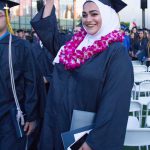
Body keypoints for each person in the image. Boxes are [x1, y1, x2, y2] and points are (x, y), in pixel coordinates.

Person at [31, 0, 134, 149]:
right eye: (84, 15)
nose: (88, 19)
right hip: (56, 125)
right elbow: (50, 36)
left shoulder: (116, 53)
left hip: (83, 136)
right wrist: (49, 3)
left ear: (107, 16)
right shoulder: (72, 44)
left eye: (94, 14)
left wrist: (93, 142)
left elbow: (115, 103)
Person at [0, 0, 38, 149]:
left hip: (12, 116)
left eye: (0, 15)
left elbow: (31, 82)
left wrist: (32, 115)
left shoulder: (20, 46)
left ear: (8, 17)